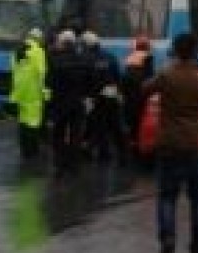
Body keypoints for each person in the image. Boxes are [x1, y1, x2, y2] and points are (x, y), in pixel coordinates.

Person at [143, 32, 198, 253]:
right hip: (196, 145)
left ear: (175, 50)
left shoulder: (166, 75)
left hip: (170, 144)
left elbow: (145, 89)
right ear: (195, 51)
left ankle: (167, 239)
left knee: (167, 197)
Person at [46, 30, 92, 177]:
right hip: (78, 103)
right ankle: (74, 166)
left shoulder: (55, 60)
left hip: (60, 103)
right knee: (76, 134)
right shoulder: (83, 60)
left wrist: (50, 105)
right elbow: (89, 82)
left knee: (58, 134)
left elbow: (49, 83)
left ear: (63, 43)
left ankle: (60, 165)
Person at [81, 31, 126, 163]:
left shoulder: (86, 58)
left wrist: (88, 96)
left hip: (95, 97)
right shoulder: (110, 57)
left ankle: (102, 152)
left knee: (97, 124)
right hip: (111, 94)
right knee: (115, 124)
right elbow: (117, 77)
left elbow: (86, 80)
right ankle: (122, 152)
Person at [9, 32, 46, 160]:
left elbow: (13, 71)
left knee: (23, 121)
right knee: (33, 123)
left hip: (19, 92)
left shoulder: (16, 51)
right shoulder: (38, 51)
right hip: (33, 93)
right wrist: (45, 93)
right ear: (38, 39)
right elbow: (41, 74)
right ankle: (32, 151)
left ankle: (24, 149)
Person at [121, 34, 155, 148]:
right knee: (139, 119)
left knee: (130, 119)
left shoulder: (130, 58)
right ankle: (137, 141)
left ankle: (131, 141)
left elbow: (125, 79)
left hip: (130, 94)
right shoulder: (148, 58)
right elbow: (150, 78)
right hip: (141, 94)